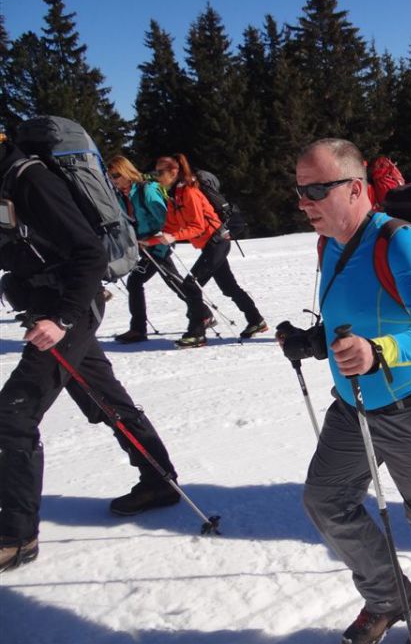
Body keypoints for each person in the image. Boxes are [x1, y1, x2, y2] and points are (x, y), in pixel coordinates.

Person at [275, 139, 411, 644]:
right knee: (325, 500)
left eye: (317, 189)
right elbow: (352, 321)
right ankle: (389, 596)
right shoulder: (330, 245)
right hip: (355, 406)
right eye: (300, 191)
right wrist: (314, 341)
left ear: (355, 187)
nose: (305, 201)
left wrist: (379, 351)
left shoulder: (399, 242)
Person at [0, 133, 180, 573]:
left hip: (69, 308)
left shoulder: (30, 179)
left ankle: (16, 537)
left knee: (12, 416)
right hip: (50, 305)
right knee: (102, 395)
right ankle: (158, 480)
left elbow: (89, 252)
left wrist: (61, 318)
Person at [150, 154, 266, 347]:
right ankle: (256, 320)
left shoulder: (189, 192)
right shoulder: (173, 196)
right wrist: (149, 241)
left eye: (160, 172)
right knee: (228, 287)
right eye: (155, 172)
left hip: (217, 241)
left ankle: (197, 333)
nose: (157, 176)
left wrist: (174, 237)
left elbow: (197, 226)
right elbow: (170, 227)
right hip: (209, 245)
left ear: (174, 172)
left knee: (190, 285)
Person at [106, 155, 185, 343]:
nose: (113, 180)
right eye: (110, 177)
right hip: (143, 243)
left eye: (116, 175)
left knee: (166, 279)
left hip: (158, 241)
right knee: (166, 279)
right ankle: (203, 314)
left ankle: (139, 329)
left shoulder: (146, 190)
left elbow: (165, 218)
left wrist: (155, 239)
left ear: (126, 172)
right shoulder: (120, 195)